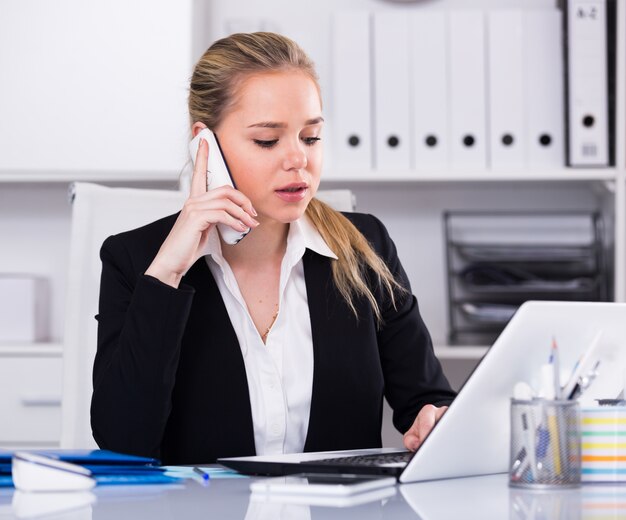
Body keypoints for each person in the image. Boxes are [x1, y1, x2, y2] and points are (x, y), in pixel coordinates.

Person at [90, 31, 456, 465]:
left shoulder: (365, 246)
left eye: (311, 137)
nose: (297, 159)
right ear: (204, 142)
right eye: (268, 140)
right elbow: (123, 442)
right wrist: (167, 272)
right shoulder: (134, 259)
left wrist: (436, 419)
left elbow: (426, 400)